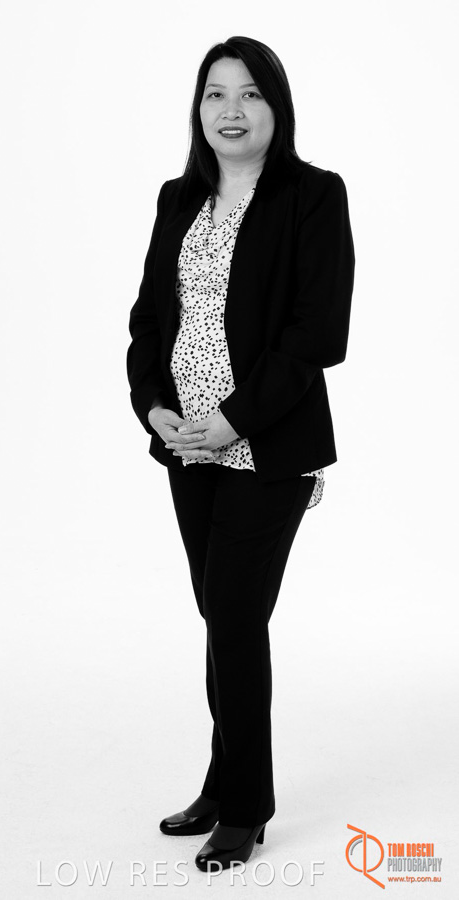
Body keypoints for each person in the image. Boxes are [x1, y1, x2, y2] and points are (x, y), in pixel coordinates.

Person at [127, 35, 355, 872]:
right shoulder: (177, 198)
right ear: (198, 108)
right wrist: (156, 409)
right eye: (215, 93)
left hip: (266, 445)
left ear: (276, 106)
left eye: (251, 93)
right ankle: (224, 782)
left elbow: (316, 334)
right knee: (219, 616)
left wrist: (231, 421)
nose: (231, 110)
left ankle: (246, 807)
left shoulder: (312, 195)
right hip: (185, 446)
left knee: (232, 617)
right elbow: (148, 320)